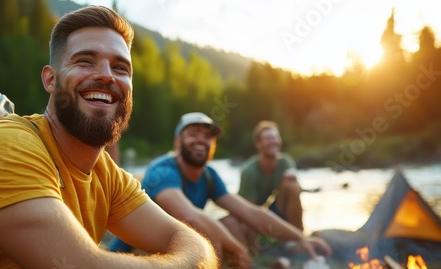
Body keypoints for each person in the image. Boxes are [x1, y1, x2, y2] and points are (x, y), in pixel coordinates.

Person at [0, 6, 217, 268]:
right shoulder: (4, 149)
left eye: (121, 68)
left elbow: (194, 244)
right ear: (50, 80)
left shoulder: (105, 174)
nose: (107, 76)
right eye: (85, 61)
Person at [109, 112, 332, 268]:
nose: (201, 140)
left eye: (207, 136)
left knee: (232, 222)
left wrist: (301, 238)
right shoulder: (163, 170)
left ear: (213, 146)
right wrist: (237, 248)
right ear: (177, 142)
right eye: (193, 133)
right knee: (201, 231)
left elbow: (250, 212)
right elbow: (188, 216)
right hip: (133, 256)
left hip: (174, 251)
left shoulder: (208, 176)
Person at [238, 120, 305, 236]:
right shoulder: (248, 171)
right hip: (253, 214)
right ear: (258, 144)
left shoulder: (285, 162)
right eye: (268, 139)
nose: (273, 142)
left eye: (275, 138)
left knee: (292, 185)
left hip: (274, 210)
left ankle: (299, 236)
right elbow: (248, 211)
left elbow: (292, 192)